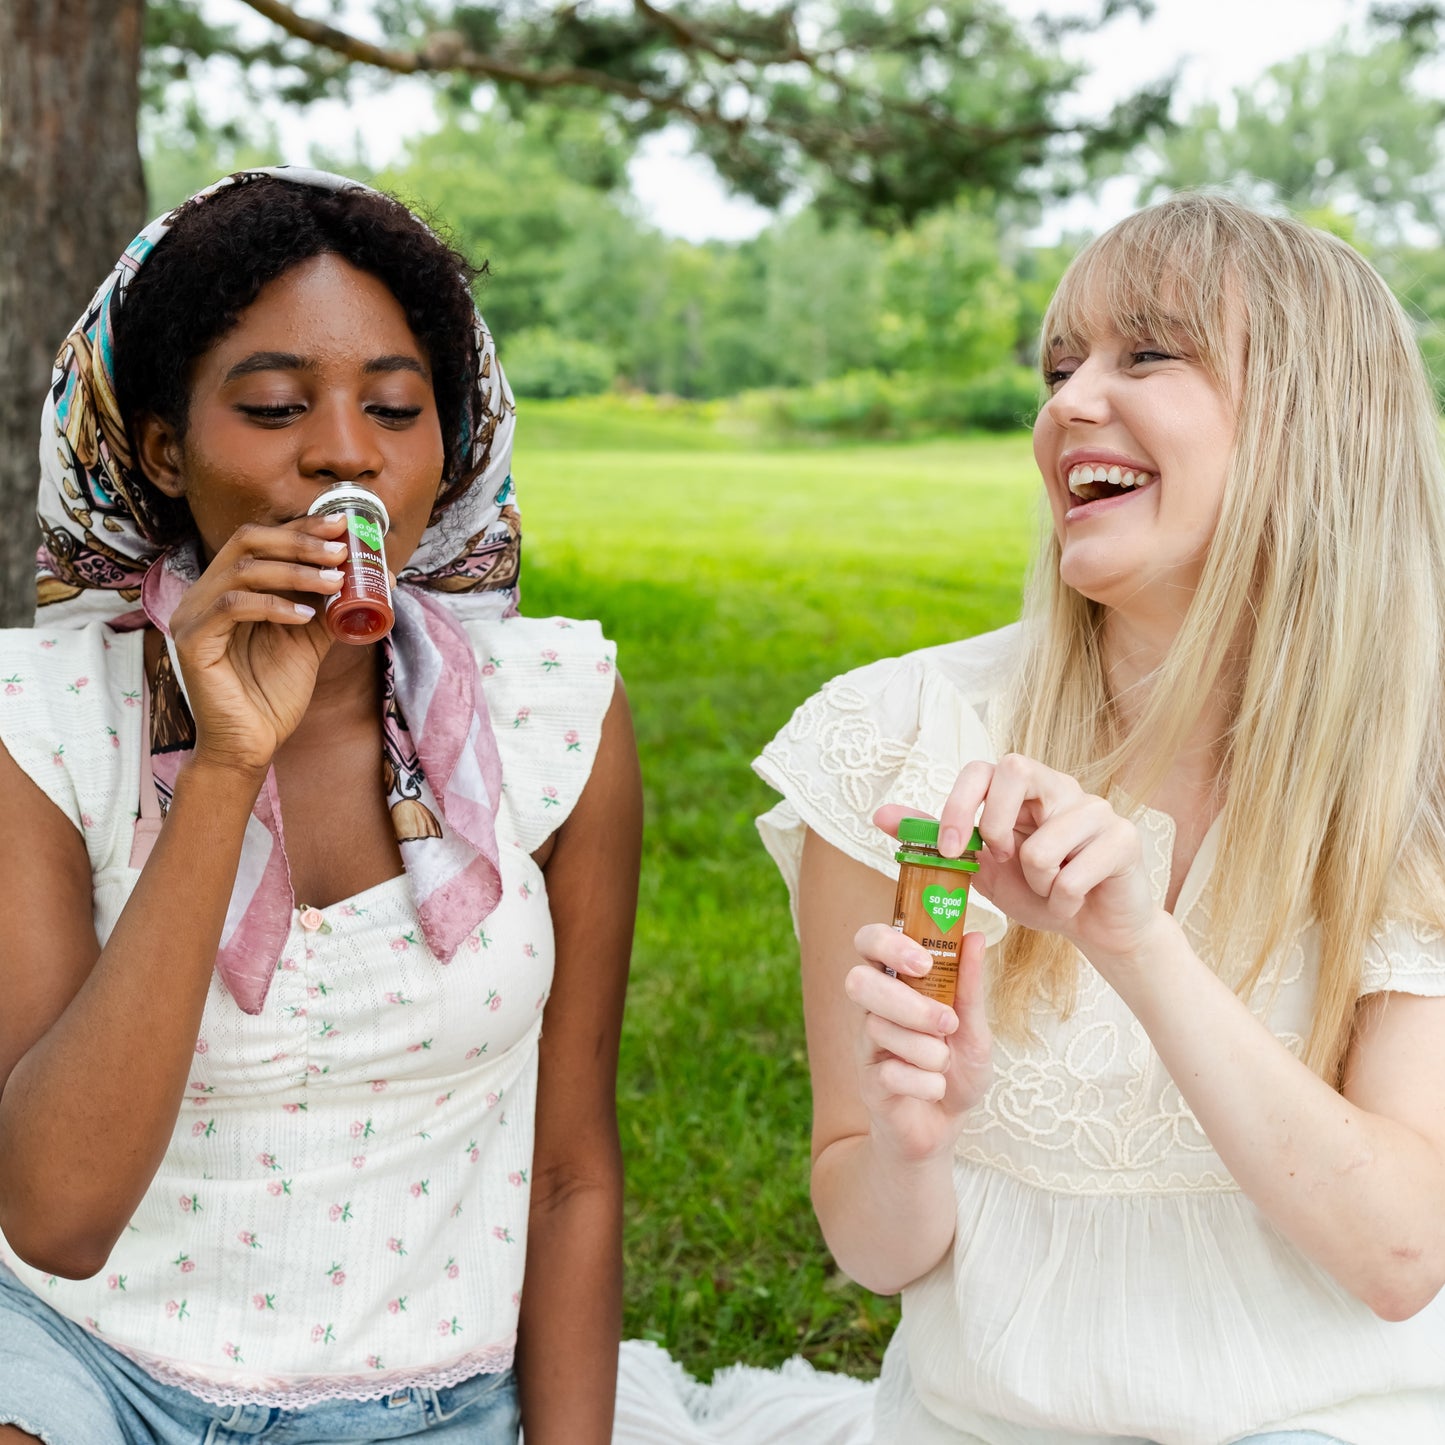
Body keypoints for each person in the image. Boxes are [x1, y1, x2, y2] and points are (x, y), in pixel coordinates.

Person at [748, 194, 1445, 1444]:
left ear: (1314, 423)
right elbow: (873, 1246)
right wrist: (914, 1138)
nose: (1066, 403)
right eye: (1059, 364)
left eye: (1147, 353)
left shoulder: (1410, 777)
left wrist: (1136, 945)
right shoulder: (897, 736)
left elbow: (1397, 1250)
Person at [0, 167, 640, 1445]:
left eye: (395, 408)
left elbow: (569, 1172)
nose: (344, 448)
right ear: (166, 451)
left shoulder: (552, 710)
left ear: (446, 456)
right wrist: (225, 763)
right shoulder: (43, 718)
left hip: (421, 1400)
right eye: (278, 403)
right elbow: (54, 1213)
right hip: (84, 1359)